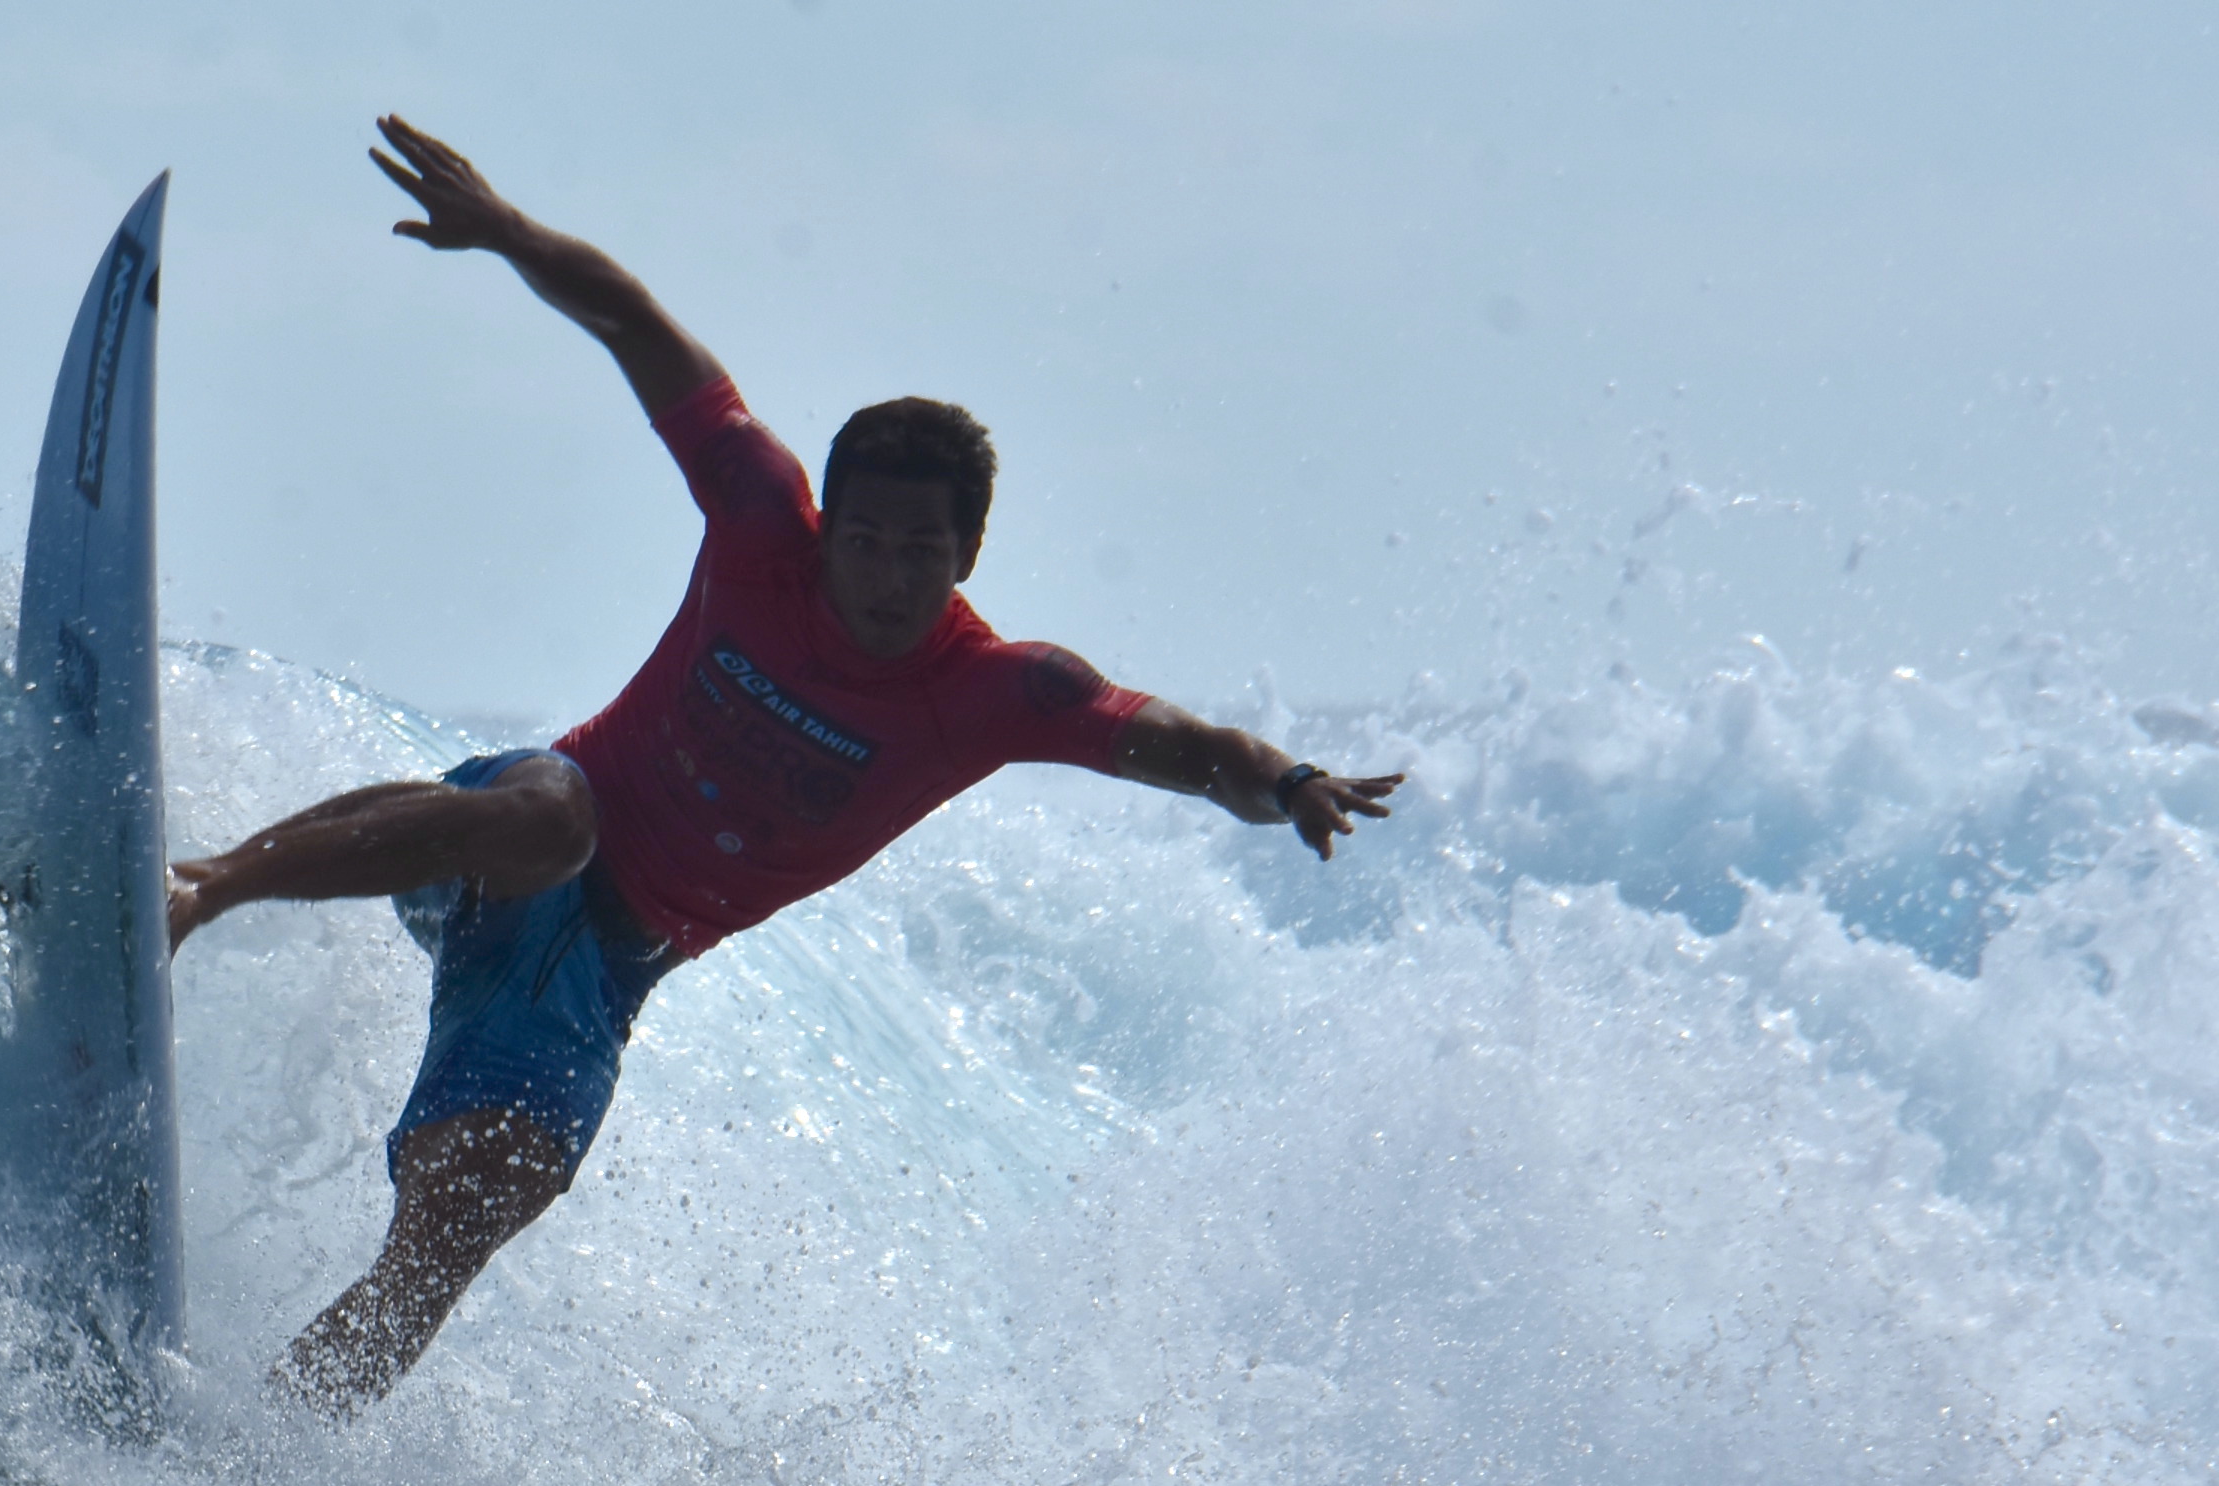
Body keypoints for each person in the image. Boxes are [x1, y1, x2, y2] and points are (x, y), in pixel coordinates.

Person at [172, 116, 1402, 1411]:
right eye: (863, 539)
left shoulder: (995, 692)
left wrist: (1285, 784)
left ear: (965, 556)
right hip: (522, 827)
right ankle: (199, 890)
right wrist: (509, 234)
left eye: (918, 551)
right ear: (830, 527)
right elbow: (643, 333)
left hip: (599, 975)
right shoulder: (759, 519)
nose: (883, 573)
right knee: (549, 819)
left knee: (460, 1228)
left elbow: (1170, 741)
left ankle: (250, 1437)